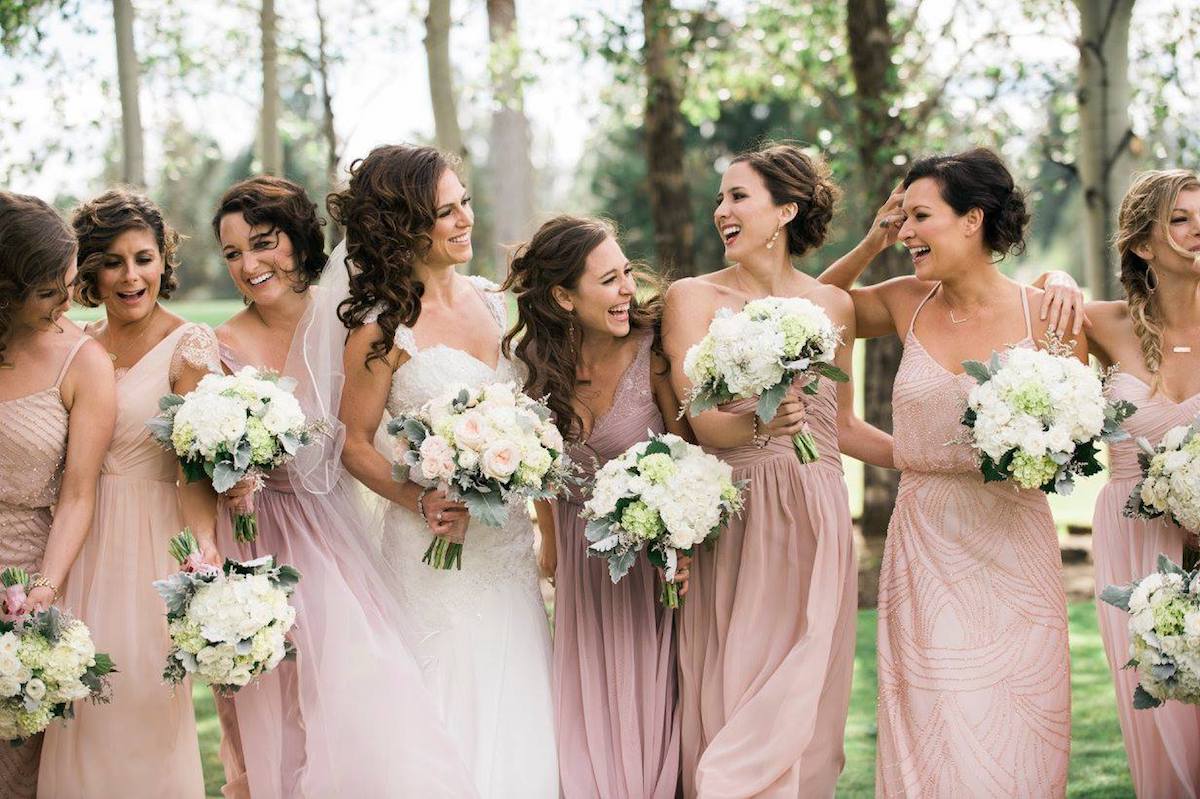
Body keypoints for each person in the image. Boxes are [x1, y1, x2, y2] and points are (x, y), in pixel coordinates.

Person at [335, 144, 558, 797]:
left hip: (506, 549)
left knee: (518, 705)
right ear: (403, 226)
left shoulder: (492, 301)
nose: (466, 219)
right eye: (445, 211)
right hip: (433, 554)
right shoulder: (382, 330)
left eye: (465, 202)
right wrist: (418, 497)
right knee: (447, 709)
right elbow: (352, 442)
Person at [0, 192, 114, 798]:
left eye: (67, 285)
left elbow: (77, 497)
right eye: (48, 292)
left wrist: (41, 591)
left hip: (26, 586)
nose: (67, 303)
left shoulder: (82, 362)